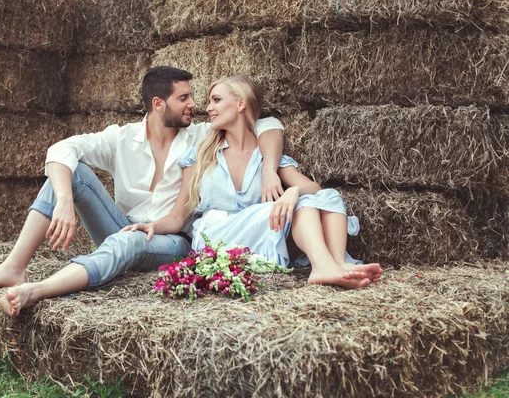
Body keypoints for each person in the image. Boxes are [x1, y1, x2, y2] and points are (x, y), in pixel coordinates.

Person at [0, 67, 285, 316]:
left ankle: (38, 290)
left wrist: (270, 168)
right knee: (73, 173)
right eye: (184, 98)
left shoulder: (202, 135)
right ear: (158, 103)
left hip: (170, 241)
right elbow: (60, 150)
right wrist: (66, 202)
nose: (194, 105)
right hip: (123, 225)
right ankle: (14, 266)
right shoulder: (120, 138)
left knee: (130, 239)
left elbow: (268, 124)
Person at [123, 76, 382, 288]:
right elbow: (179, 216)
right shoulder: (200, 155)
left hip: (260, 233)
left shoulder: (267, 155)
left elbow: (317, 191)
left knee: (326, 197)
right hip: (217, 237)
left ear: (240, 104)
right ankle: (326, 266)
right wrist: (152, 226)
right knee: (283, 206)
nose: (208, 108)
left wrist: (291, 192)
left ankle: (335, 264)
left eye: (216, 100)